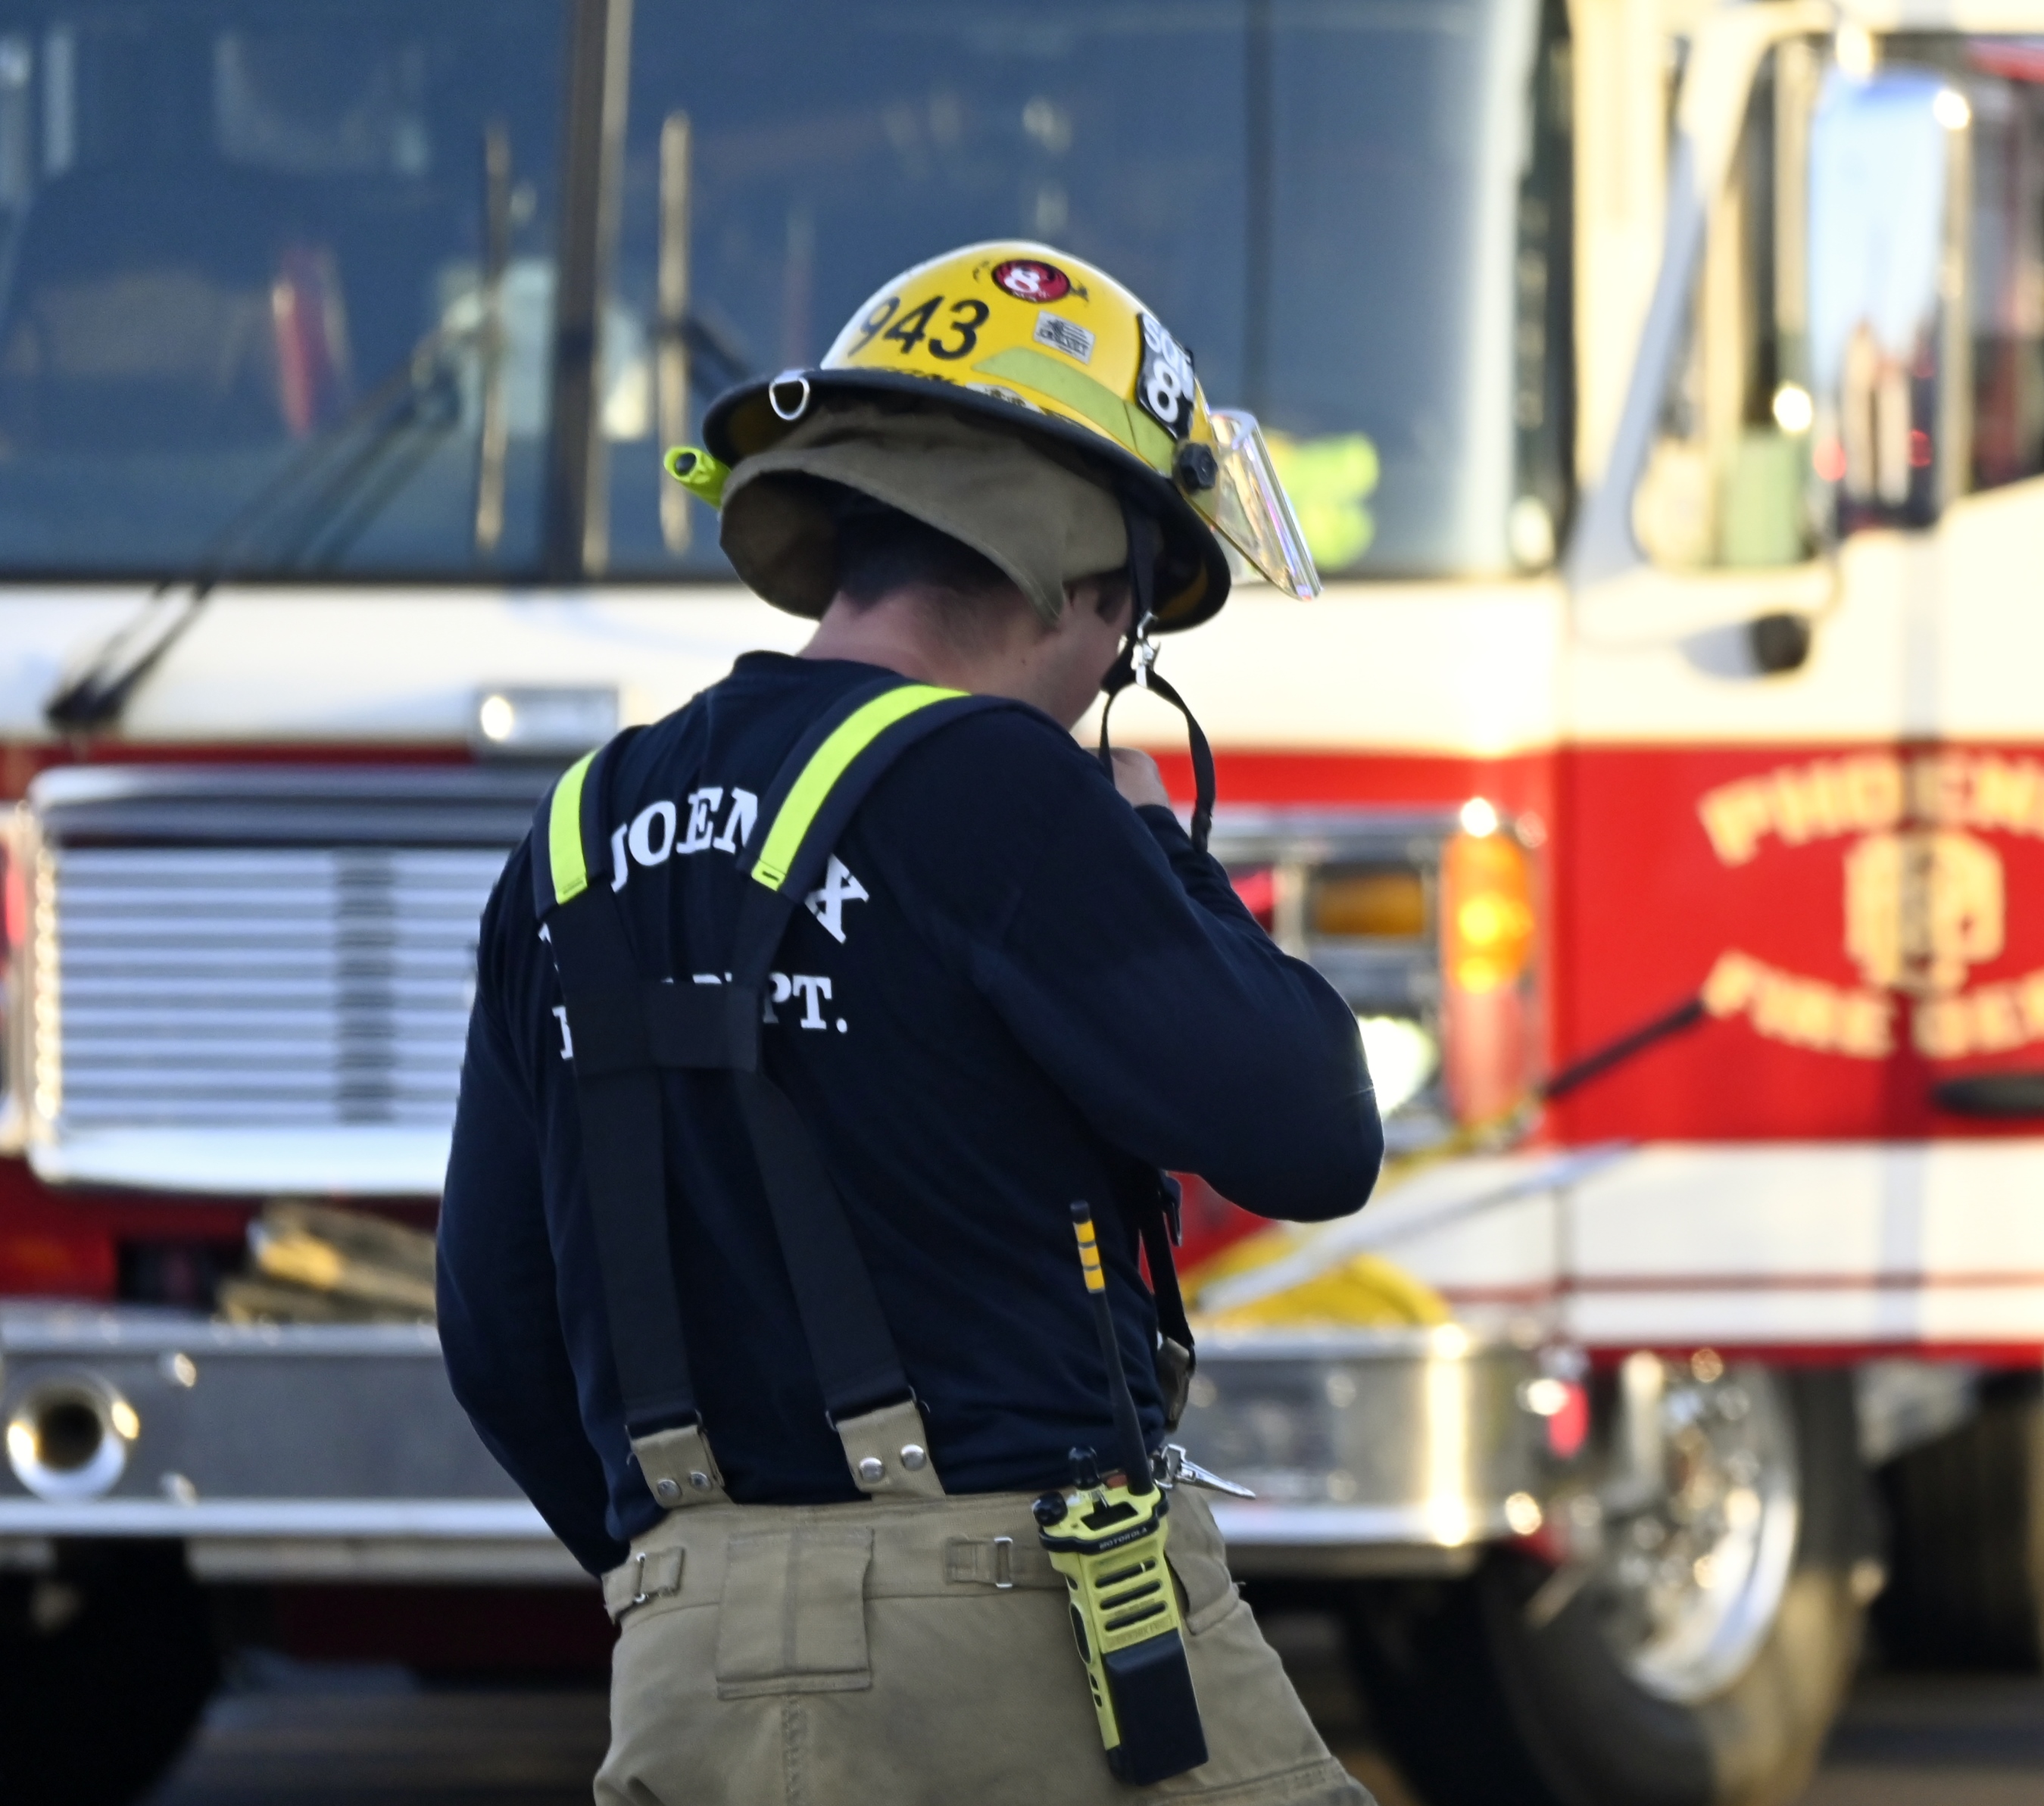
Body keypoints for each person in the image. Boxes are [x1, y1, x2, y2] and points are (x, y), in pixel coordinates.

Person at [438, 242, 1383, 1805]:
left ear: (853, 524)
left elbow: (495, 1331)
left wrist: (703, 1575)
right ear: (1093, 584)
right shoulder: (1000, 788)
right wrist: (1154, 844)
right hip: (1030, 1626)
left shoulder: (574, 837)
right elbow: (1314, 1130)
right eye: (1131, 623)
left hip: (684, 1662)